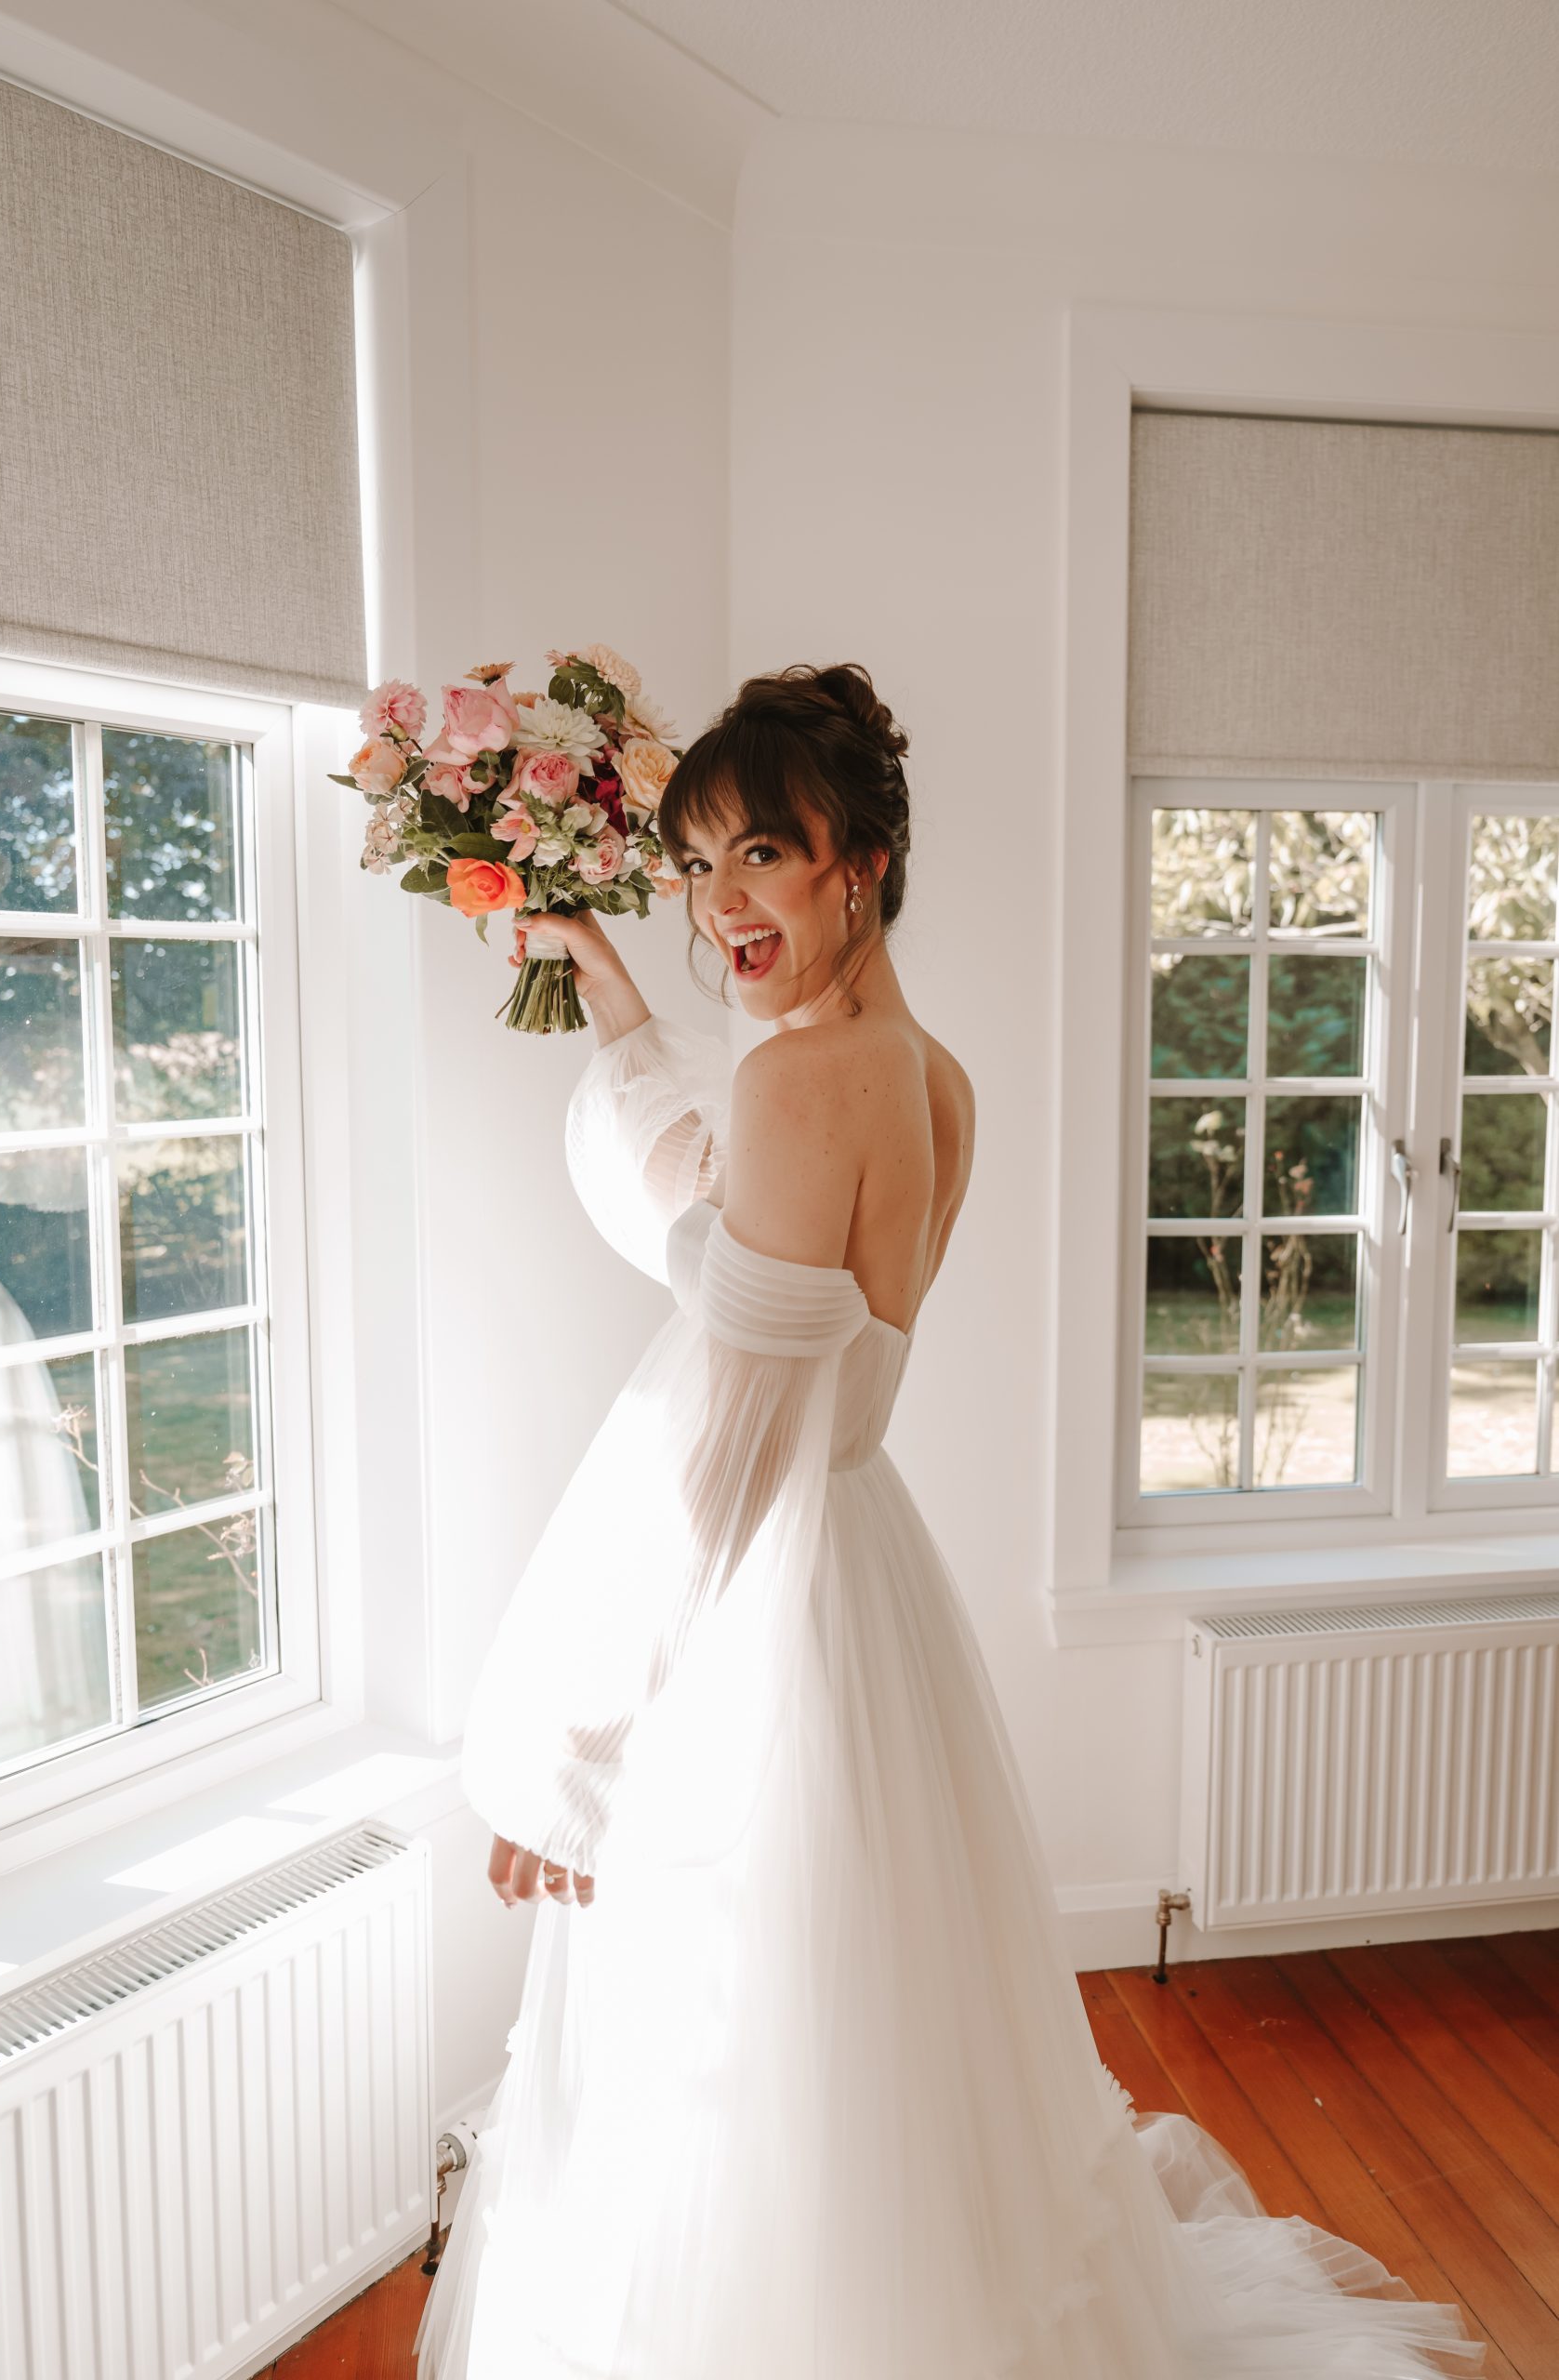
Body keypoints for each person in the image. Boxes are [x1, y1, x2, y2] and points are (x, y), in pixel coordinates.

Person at [415, 664, 1482, 2378]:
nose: (722, 903)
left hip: (753, 1607)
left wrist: (585, 1753)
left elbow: (738, 1445)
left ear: (866, 858)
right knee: (868, 2066)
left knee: (740, 2071)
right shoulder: (925, 1075)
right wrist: (610, 985)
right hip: (855, 1582)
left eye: (762, 853)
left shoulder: (804, 1085)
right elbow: (704, 1211)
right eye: (699, 865)